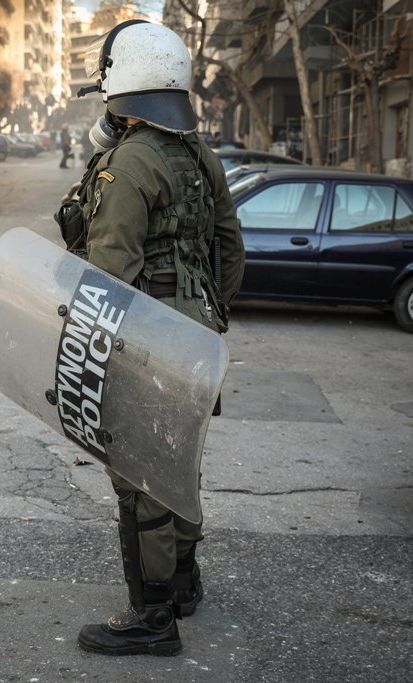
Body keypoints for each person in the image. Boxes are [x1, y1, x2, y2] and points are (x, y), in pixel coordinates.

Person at [55, 20, 245, 657]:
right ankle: (185, 585)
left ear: (121, 90)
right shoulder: (200, 156)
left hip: (146, 340)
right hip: (200, 338)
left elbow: (110, 276)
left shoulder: (128, 164)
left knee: (141, 478)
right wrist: (201, 317)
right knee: (182, 462)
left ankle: (152, 615)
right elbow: (231, 255)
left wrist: (94, 358)